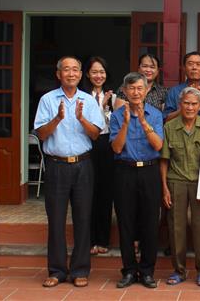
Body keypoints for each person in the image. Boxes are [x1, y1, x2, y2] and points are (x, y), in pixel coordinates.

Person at [34, 56, 104, 288]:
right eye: (66, 70)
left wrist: (81, 118)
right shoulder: (47, 100)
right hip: (57, 166)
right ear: (58, 74)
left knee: (83, 218)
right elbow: (42, 134)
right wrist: (58, 118)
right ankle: (56, 270)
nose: (71, 74)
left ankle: (80, 269)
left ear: (81, 73)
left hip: (83, 165)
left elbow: (95, 135)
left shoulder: (88, 100)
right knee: (55, 219)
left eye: (75, 69)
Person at [110, 72, 164, 289]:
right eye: (131, 88)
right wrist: (125, 124)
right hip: (125, 172)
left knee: (150, 222)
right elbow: (116, 147)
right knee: (126, 223)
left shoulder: (155, 114)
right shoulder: (116, 116)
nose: (136, 92)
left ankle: (147, 271)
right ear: (124, 90)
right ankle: (129, 271)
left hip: (149, 172)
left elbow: (158, 146)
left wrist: (142, 121)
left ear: (146, 90)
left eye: (140, 88)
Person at [161, 87, 200, 287]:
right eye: (186, 103)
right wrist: (165, 188)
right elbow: (164, 161)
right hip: (175, 181)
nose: (190, 107)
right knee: (176, 228)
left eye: (195, 104)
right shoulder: (169, 127)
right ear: (180, 104)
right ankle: (179, 270)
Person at [82, 56, 116, 255]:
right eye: (94, 72)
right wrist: (100, 105)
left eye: (102, 72)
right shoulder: (81, 96)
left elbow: (116, 124)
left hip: (107, 146)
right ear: (87, 74)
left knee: (105, 193)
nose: (98, 75)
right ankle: (89, 239)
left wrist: (106, 103)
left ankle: (103, 239)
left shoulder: (113, 96)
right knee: (87, 194)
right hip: (87, 145)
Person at [164, 51, 200, 127]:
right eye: (190, 64)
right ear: (184, 68)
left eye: (198, 64)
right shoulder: (174, 91)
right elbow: (166, 121)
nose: (194, 67)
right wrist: (184, 107)